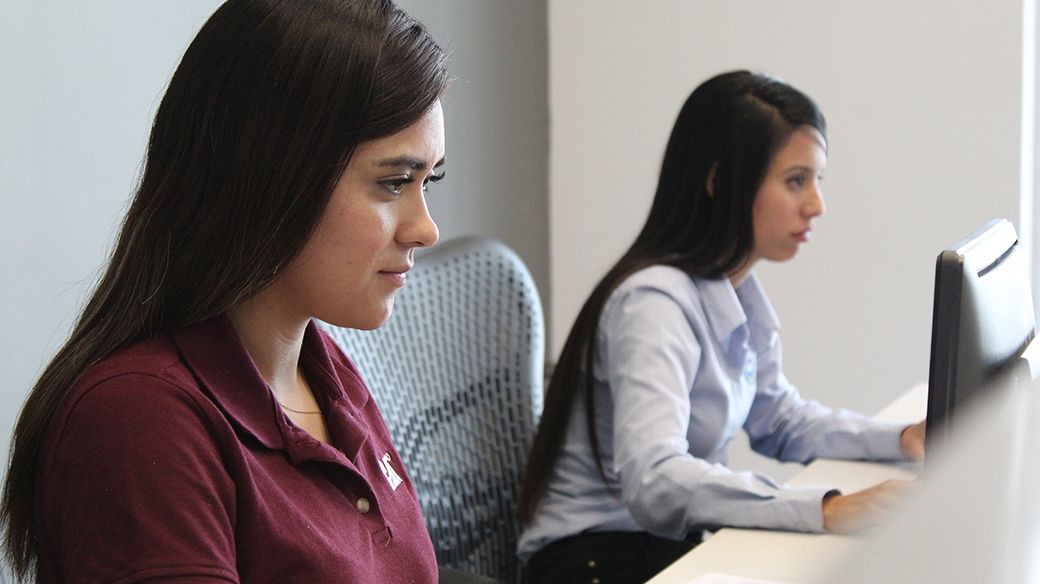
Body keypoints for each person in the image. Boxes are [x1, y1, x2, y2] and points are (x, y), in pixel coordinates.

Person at [0, 1, 450, 582]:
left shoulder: (328, 374)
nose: (426, 228)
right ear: (272, 177)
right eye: (394, 184)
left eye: (428, 181)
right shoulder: (139, 421)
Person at [515, 70, 926, 584]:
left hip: (657, 545)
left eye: (818, 180)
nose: (816, 204)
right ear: (718, 182)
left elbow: (778, 418)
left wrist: (906, 437)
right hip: (593, 560)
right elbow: (655, 477)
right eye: (796, 180)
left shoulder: (734, 286)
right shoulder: (653, 304)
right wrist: (826, 509)